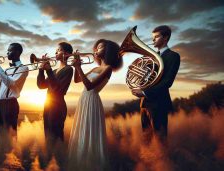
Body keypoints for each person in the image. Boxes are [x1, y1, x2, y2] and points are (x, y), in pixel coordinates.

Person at [68, 39, 122, 171]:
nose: (96, 50)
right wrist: (76, 66)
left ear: (107, 50)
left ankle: (91, 163)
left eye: (100, 47)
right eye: (96, 47)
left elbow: (89, 86)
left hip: (92, 99)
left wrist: (79, 67)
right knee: (82, 129)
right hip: (84, 99)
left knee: (90, 131)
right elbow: (76, 80)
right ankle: (80, 162)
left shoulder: (108, 68)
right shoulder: (95, 68)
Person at [131, 25, 180, 144]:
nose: (153, 40)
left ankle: (163, 161)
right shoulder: (151, 57)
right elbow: (146, 79)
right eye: (153, 37)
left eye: (156, 37)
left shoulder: (173, 56)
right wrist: (135, 72)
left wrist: (144, 92)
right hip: (145, 103)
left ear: (166, 38)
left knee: (160, 138)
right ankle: (149, 161)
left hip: (159, 103)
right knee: (146, 138)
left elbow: (167, 82)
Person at [0, 43, 29, 150]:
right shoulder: (6, 70)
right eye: (7, 50)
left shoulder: (24, 68)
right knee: (1, 135)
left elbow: (11, 84)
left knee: (10, 134)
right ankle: (3, 158)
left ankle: (13, 159)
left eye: (10, 50)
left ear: (17, 52)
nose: (7, 53)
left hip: (10, 104)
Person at [37, 42, 74, 145]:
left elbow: (57, 89)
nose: (55, 52)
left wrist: (48, 71)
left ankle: (60, 158)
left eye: (59, 50)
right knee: (48, 135)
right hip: (48, 105)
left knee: (56, 136)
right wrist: (41, 70)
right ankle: (50, 159)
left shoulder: (68, 69)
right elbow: (41, 85)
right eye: (56, 50)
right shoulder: (54, 71)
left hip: (58, 106)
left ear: (66, 53)